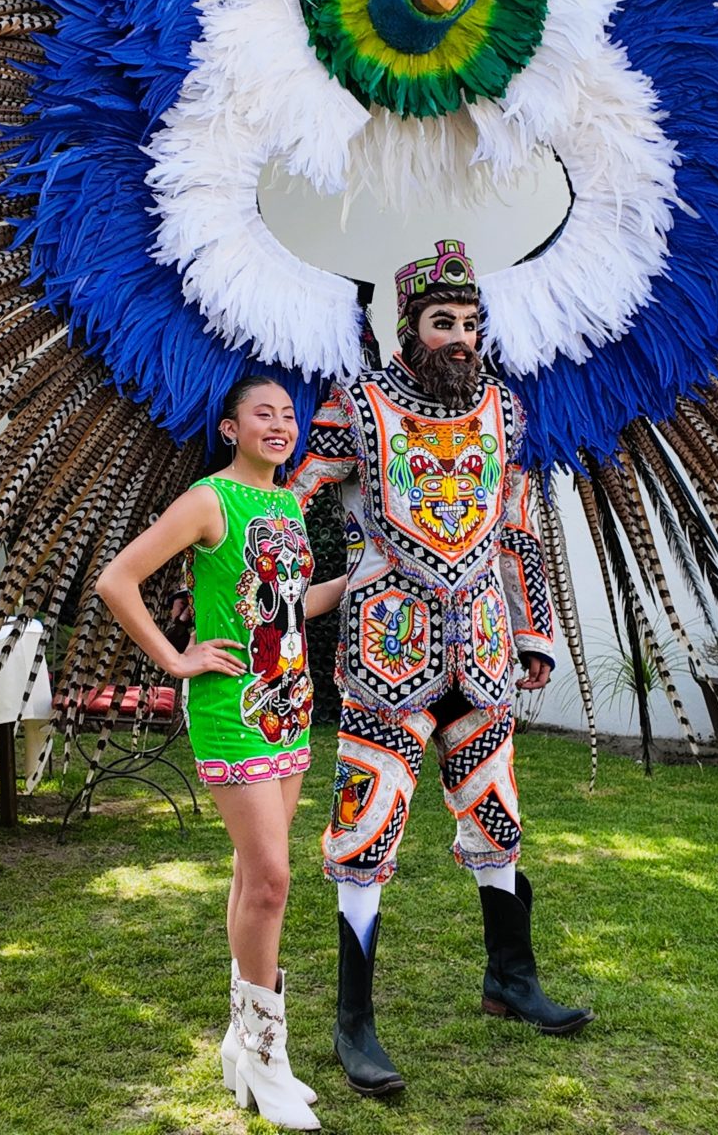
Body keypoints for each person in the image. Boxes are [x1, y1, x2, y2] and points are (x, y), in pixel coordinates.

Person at [288, 237, 593, 1099]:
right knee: (365, 829)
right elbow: (288, 503)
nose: (461, 336)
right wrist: (269, 596)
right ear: (410, 327)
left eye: (469, 322)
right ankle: (354, 1022)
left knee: (495, 820)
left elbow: (519, 529)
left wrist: (533, 634)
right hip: (387, 653)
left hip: (487, 655)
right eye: (443, 321)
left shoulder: (504, 409)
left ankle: (511, 979)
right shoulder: (356, 410)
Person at [97, 375, 346, 1129]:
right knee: (273, 879)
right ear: (230, 428)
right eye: (262, 415)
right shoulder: (209, 500)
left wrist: (354, 581)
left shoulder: (284, 504)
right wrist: (176, 659)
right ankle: (270, 1056)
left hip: (290, 710)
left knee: (253, 878)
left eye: (287, 416)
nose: (280, 425)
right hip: (231, 710)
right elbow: (119, 580)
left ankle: (241, 1043)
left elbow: (284, 606)